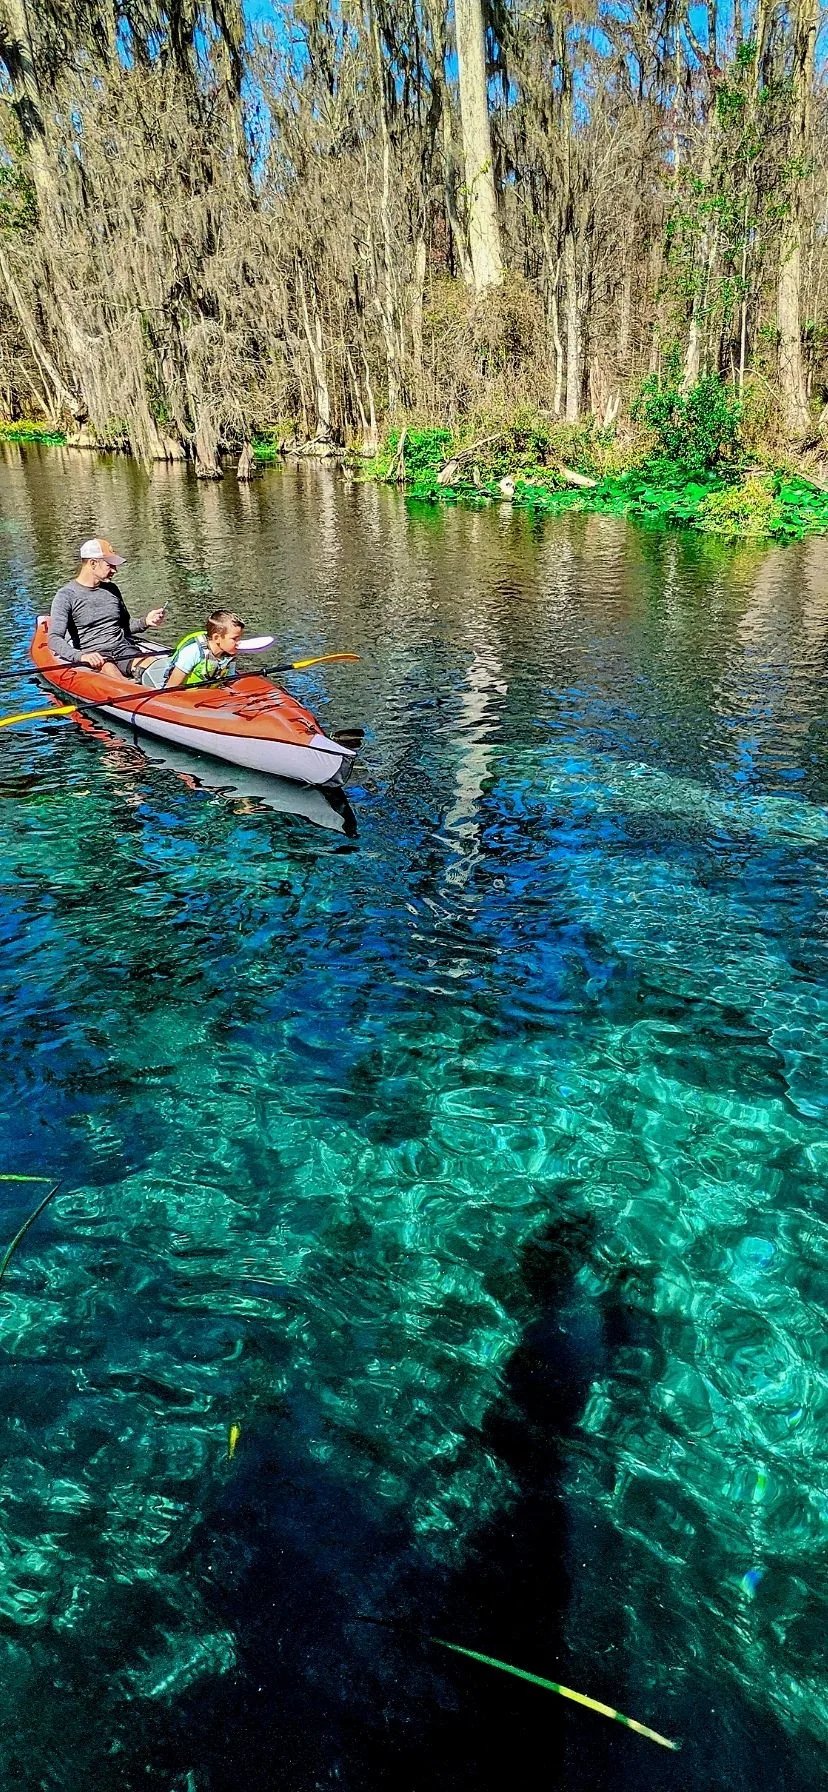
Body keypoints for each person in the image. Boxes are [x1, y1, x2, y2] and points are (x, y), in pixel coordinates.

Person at [48, 538, 166, 680]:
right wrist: (81, 656)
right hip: (95, 655)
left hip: (123, 649)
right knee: (113, 675)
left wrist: (146, 621)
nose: (114, 570)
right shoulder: (66, 596)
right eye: (110, 565)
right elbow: (54, 639)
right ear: (93, 563)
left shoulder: (112, 589)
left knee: (158, 668)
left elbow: (124, 625)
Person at [164, 611, 245, 688]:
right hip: (186, 697)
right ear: (216, 638)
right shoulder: (193, 652)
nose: (239, 643)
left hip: (209, 696)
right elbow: (171, 686)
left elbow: (230, 682)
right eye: (235, 639)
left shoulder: (229, 655)